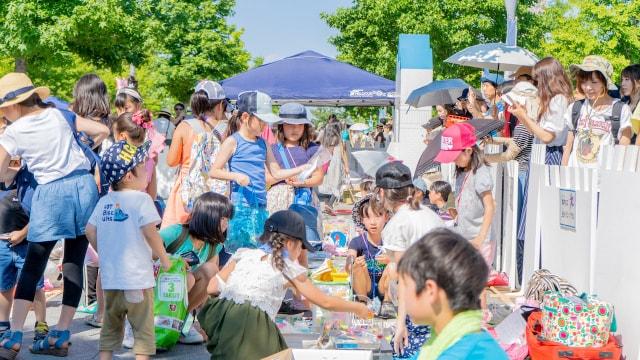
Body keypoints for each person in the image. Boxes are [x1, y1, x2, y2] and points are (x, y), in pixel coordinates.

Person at [0, 72, 109, 358]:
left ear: (14, 105)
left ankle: (12, 337)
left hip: (50, 192)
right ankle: (60, 335)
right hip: (83, 185)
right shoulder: (60, 114)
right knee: (74, 259)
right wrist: (83, 147)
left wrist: (18, 167)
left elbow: (0, 172)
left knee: (35, 261)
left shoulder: (13, 132)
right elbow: (103, 131)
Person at [198, 210, 371, 360]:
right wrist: (357, 307)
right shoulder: (287, 266)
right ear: (290, 243)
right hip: (253, 329)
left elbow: (212, 287)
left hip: (225, 321)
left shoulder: (244, 254)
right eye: (302, 247)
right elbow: (324, 301)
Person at [85, 141, 172, 360]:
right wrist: (164, 259)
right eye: (142, 167)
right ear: (128, 176)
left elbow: (89, 230)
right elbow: (151, 233)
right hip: (138, 281)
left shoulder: (104, 202)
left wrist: (104, 252)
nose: (147, 171)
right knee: (142, 330)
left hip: (112, 280)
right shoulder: (142, 200)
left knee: (110, 329)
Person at [209, 91, 309, 259]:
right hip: (240, 206)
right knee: (239, 254)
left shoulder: (263, 143)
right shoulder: (233, 141)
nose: (265, 126)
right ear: (246, 117)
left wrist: (301, 168)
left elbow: (276, 172)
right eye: (262, 121)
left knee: (259, 253)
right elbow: (214, 171)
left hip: (261, 206)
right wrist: (236, 176)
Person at [398, 229, 508, 360]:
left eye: (406, 285)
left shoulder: (465, 353)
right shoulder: (449, 340)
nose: (402, 296)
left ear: (430, 290)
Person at [374, 162, 444, 359]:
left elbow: (405, 278)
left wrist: (400, 323)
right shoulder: (427, 213)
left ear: (381, 192)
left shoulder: (397, 224)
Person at [159, 192, 233, 344]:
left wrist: (208, 324)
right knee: (189, 278)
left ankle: (179, 323)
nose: (226, 224)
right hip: (157, 294)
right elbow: (144, 252)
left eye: (228, 219)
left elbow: (211, 286)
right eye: (223, 218)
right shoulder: (176, 233)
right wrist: (174, 262)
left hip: (179, 298)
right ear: (208, 216)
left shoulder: (214, 246)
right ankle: (144, 322)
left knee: (211, 271)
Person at [486, 81, 538, 282]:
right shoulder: (528, 122)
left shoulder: (526, 124)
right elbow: (513, 142)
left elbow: (511, 153)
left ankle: (519, 273)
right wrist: (495, 142)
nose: (510, 107)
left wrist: (484, 158)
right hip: (522, 174)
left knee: (518, 229)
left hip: (522, 176)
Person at [162, 81, 229, 229]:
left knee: (181, 236)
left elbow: (171, 161)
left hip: (188, 192)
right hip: (214, 195)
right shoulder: (224, 130)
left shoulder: (185, 126)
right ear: (219, 105)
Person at [434, 123, 496, 266]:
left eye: (455, 156)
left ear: (468, 151)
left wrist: (481, 238)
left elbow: (490, 206)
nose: (453, 160)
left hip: (480, 241)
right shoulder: (462, 171)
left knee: (475, 284)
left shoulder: (480, 173)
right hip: (465, 239)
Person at [563, 56, 632, 167]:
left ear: (604, 83)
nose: (588, 87)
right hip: (574, 178)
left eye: (594, 82)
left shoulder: (620, 109)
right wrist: (563, 173)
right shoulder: (575, 108)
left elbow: (624, 145)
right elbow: (569, 145)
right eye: (584, 82)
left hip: (603, 179)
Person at [511, 57, 573, 166]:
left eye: (538, 79)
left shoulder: (559, 99)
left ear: (547, 78)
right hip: (541, 152)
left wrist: (524, 116)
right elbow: (535, 132)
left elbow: (547, 137)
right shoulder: (552, 99)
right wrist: (521, 115)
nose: (537, 83)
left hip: (550, 154)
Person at [267, 103, 324, 215]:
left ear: (305, 127)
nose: (295, 129)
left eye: (300, 125)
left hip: (305, 200)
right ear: (281, 125)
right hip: (278, 202)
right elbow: (267, 179)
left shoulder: (312, 148)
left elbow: (319, 178)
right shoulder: (271, 150)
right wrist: (288, 176)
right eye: (289, 124)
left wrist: (302, 182)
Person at [347, 195, 392, 315]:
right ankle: (362, 304)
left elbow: (406, 263)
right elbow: (348, 262)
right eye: (367, 217)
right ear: (362, 220)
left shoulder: (391, 242)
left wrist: (391, 260)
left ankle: (387, 304)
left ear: (386, 217)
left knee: (394, 265)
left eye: (378, 216)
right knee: (357, 266)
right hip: (365, 287)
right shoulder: (357, 242)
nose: (373, 222)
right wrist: (352, 263)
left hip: (384, 288)